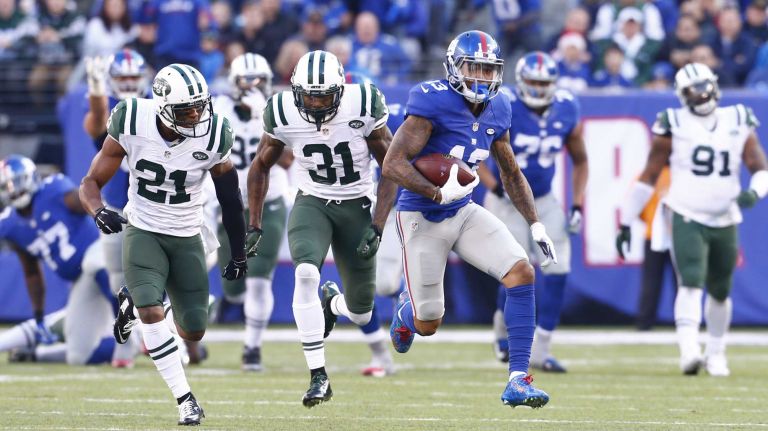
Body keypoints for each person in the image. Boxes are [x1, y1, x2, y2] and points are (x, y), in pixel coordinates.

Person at [381, 30, 554, 408]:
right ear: (453, 68)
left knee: (521, 271)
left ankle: (518, 380)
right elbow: (392, 164)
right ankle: (406, 312)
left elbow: (509, 171)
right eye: (472, 68)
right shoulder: (432, 102)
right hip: (422, 216)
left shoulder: (499, 107)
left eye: (488, 70)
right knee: (429, 322)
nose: (481, 77)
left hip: (463, 211)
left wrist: (535, 223)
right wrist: (437, 192)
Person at [80, 63, 247, 425]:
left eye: (201, 106)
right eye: (187, 109)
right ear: (162, 108)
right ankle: (185, 401)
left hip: (188, 233)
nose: (197, 115)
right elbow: (90, 181)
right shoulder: (132, 119)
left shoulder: (213, 133)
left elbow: (231, 198)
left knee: (194, 330)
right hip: (144, 228)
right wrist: (98, 211)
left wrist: (237, 250)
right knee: (153, 312)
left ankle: (135, 304)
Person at [245, 50, 397, 407]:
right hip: (311, 201)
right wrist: (254, 223)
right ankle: (318, 375)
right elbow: (260, 166)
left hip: (357, 204)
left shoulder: (363, 104)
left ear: (341, 91)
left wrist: (377, 225)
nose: (314, 103)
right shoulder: (281, 111)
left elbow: (391, 166)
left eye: (323, 95)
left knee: (361, 310)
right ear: (296, 90)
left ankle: (335, 303)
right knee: (306, 275)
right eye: (309, 95)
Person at [616, 62, 768, 377]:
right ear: (682, 95)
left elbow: (759, 166)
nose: (701, 95)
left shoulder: (737, 118)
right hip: (685, 212)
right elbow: (649, 176)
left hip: (726, 215)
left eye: (704, 87)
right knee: (691, 280)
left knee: (721, 289)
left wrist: (755, 192)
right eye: (693, 90)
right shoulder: (673, 123)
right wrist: (627, 219)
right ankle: (689, 350)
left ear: (714, 85)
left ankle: (716, 352)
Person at [480, 51, 588, 373]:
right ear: (521, 81)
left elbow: (581, 159)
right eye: (533, 83)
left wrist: (578, 203)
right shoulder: (503, 103)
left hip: (543, 198)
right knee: (515, 267)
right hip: (506, 199)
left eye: (544, 83)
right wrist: (494, 186)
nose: (539, 89)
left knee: (558, 269)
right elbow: (475, 148)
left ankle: (541, 350)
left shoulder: (567, 107)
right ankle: (502, 335)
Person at [213, 52, 292, 371]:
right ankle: (239, 318)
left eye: (259, 81)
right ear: (233, 84)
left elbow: (286, 160)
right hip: (230, 206)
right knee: (233, 289)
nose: (253, 88)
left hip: (268, 202)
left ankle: (252, 348)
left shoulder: (276, 109)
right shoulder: (217, 111)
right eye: (247, 82)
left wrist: (265, 119)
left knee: (259, 280)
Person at [0, 156, 116, 366]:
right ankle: (139, 338)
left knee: (94, 262)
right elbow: (32, 272)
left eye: (16, 183)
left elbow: (86, 201)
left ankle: (142, 323)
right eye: (6, 187)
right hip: (81, 279)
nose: (13, 191)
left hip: (102, 253)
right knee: (79, 355)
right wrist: (38, 315)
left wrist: (114, 232)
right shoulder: (11, 225)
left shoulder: (52, 191)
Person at [82, 48, 150, 368]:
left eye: (132, 77)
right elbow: (95, 125)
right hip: (117, 207)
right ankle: (129, 342)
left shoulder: (159, 104)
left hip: (155, 206)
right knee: (115, 281)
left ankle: (155, 333)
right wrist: (96, 91)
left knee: (155, 273)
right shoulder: (110, 108)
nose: (127, 83)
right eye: (120, 77)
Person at [345, 70, 401, 378]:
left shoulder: (381, 120)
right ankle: (381, 356)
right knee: (359, 290)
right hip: (350, 208)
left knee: (386, 285)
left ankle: (408, 298)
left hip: (386, 208)